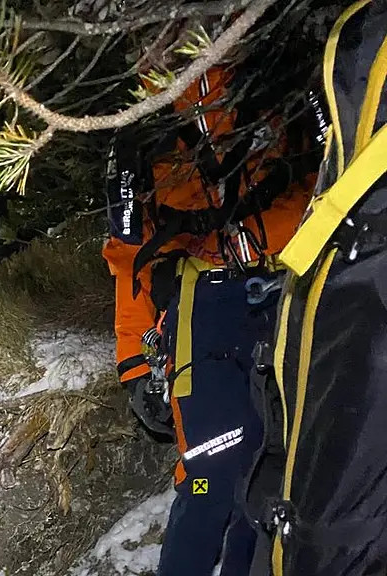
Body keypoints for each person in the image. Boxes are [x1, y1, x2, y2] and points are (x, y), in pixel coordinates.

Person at [103, 64, 317, 576]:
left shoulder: (273, 85)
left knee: (278, 470)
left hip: (288, 291)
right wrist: (133, 362)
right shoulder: (143, 131)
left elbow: (321, 185)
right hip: (206, 308)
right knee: (209, 475)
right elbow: (129, 257)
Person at [248, 2, 387, 574]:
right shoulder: (354, 44)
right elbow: (133, 258)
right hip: (275, 297)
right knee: (213, 486)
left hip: (331, 287)